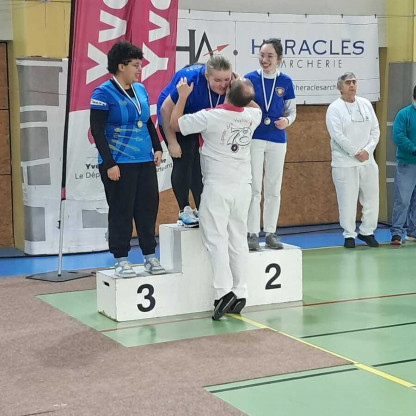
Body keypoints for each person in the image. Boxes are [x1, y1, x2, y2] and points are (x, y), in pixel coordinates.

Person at [170, 76, 262, 320]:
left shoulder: (210, 116)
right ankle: (241, 291)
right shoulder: (252, 116)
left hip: (217, 186)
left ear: (227, 90)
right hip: (243, 187)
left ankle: (223, 292)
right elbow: (254, 105)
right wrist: (239, 88)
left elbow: (175, 123)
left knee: (215, 239)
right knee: (238, 239)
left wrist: (182, 96)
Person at [90, 41, 166, 277]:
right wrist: (110, 163)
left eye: (140, 65)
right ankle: (121, 259)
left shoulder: (140, 89)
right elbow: (97, 131)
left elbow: (147, 121)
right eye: (135, 65)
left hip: (144, 160)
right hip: (119, 163)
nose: (139, 69)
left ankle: (150, 256)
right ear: (121, 66)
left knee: (147, 209)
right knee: (121, 211)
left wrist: (157, 147)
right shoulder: (102, 93)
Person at [157, 56, 233, 227]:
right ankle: (184, 209)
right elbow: (165, 110)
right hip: (174, 117)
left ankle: (202, 207)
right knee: (183, 160)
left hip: (198, 119)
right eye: (217, 80)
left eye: (226, 79)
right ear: (207, 76)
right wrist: (172, 142)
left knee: (199, 165)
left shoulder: (233, 82)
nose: (223, 84)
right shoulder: (189, 81)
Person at [245, 38, 296, 251]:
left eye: (269, 56)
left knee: (273, 188)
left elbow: (292, 112)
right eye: (262, 55)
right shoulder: (249, 79)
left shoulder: (285, 81)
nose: (264, 60)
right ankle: (252, 233)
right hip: (255, 137)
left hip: (277, 139)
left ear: (279, 58)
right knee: (254, 187)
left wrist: (287, 121)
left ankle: (270, 233)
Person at [326, 72, 380, 249]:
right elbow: (337, 135)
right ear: (339, 87)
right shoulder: (334, 108)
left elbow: (375, 130)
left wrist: (367, 150)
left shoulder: (365, 104)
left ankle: (367, 231)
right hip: (344, 163)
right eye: (348, 82)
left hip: (367, 161)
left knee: (371, 198)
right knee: (347, 201)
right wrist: (356, 152)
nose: (352, 85)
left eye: (354, 82)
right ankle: (349, 234)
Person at [390, 85, 416, 245]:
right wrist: (413, 149)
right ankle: (396, 233)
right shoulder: (404, 114)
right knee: (403, 200)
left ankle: (413, 232)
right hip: (407, 164)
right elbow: (398, 136)